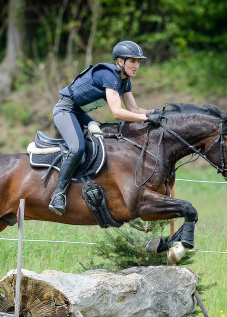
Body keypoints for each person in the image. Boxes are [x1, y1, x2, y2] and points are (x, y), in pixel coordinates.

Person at [48, 40, 162, 215]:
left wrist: (153, 113)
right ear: (120, 61)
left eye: (138, 61)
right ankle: (58, 194)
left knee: (104, 138)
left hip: (79, 113)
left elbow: (134, 109)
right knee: (77, 148)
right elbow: (117, 112)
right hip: (66, 110)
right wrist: (146, 117)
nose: (137, 65)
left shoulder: (125, 80)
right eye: (132, 61)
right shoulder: (109, 75)